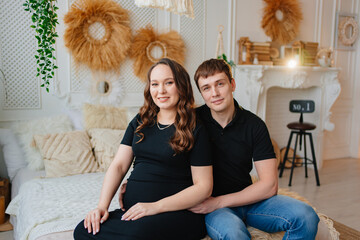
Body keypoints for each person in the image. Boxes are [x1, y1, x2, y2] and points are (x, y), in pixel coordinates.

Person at [73, 58, 213, 240]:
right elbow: (119, 166)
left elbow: (204, 187)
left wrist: (154, 206)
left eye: (168, 83)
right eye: (155, 84)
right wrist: (102, 206)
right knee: (84, 230)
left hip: (175, 213)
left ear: (181, 86)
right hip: (135, 214)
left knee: (137, 235)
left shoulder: (195, 128)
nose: (160, 90)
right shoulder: (141, 121)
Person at [187, 58, 320, 240]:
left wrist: (218, 202)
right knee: (234, 234)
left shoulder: (254, 125)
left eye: (220, 84)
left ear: (232, 84)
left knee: (306, 216)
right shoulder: (192, 122)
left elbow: (270, 185)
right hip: (217, 210)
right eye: (206, 88)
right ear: (202, 93)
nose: (215, 93)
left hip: (248, 201)